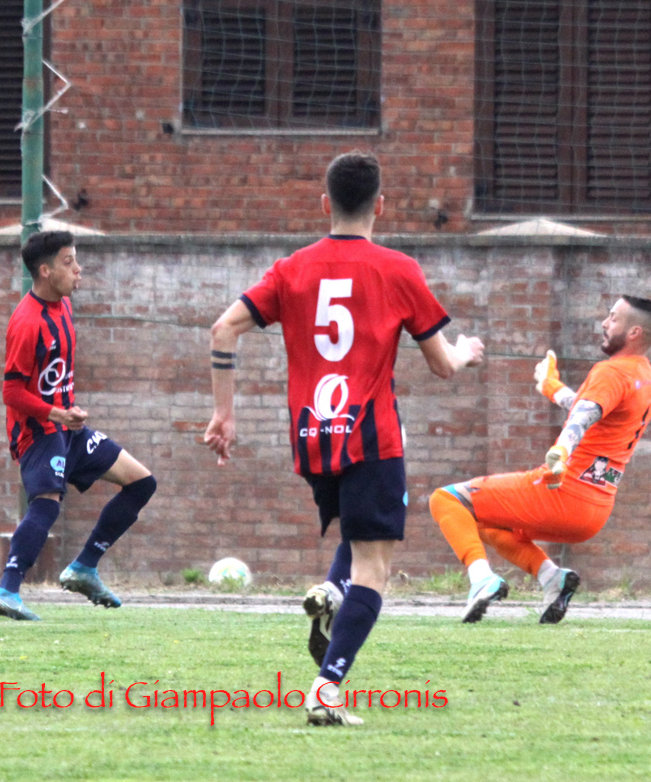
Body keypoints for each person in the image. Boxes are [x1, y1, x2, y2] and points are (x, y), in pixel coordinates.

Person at [205, 151, 485, 726]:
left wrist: (224, 415)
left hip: (312, 434)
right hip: (372, 435)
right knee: (374, 568)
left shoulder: (291, 269)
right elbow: (441, 365)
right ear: (380, 205)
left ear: (324, 203)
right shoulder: (398, 269)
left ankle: (333, 595)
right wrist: (466, 352)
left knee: (358, 542)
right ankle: (326, 688)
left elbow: (223, 328)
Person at [428, 296, 651, 624]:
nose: (604, 323)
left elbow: (581, 417)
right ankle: (552, 577)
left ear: (634, 331)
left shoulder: (611, 371)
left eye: (613, 318)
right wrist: (552, 387)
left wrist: (560, 454)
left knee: (447, 500)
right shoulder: (646, 376)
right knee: (484, 523)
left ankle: (482, 580)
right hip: (595, 509)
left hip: (562, 492)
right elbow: (592, 409)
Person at [0, 230, 157, 621]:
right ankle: (6, 592)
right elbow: (11, 392)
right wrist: (56, 414)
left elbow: (53, 375)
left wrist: (67, 410)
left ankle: (84, 567)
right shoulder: (27, 322)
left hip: (68, 430)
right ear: (45, 271)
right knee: (46, 504)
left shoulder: (63, 307)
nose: (78, 269)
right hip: (38, 433)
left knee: (141, 483)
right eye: (69, 262)